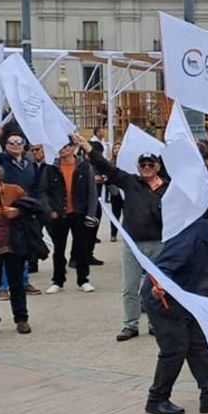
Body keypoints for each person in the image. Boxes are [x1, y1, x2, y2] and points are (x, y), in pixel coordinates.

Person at [141, 205, 208, 414]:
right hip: (166, 301)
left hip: (197, 304)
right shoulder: (191, 237)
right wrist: (158, 289)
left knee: (199, 347)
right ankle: (157, 399)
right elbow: (163, 267)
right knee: (175, 349)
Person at [74, 131, 169, 342]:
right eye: (143, 164)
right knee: (129, 287)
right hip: (133, 244)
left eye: (150, 165)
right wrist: (88, 149)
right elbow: (108, 168)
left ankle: (156, 322)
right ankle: (130, 324)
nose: (146, 168)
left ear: (158, 167)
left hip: (158, 243)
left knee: (158, 287)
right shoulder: (130, 182)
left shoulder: (167, 189)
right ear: (138, 167)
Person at [0, 162, 33, 337]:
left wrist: (18, 211)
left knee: (16, 283)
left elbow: (31, 208)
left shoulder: (14, 190)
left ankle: (21, 319)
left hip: (12, 244)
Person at [40, 141, 98, 294]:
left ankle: (83, 279)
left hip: (79, 213)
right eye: (59, 146)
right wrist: (49, 210)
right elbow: (43, 191)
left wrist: (91, 214)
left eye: (65, 146)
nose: (62, 150)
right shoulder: (51, 168)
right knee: (59, 248)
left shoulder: (84, 166)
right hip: (59, 214)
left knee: (82, 248)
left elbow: (92, 191)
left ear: (73, 148)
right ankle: (58, 281)